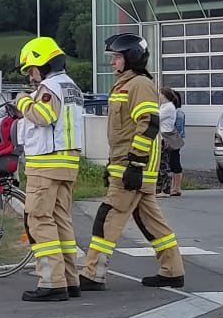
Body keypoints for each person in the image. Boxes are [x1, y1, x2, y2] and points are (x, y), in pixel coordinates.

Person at [80, 33, 185, 291]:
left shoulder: (139, 84)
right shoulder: (124, 85)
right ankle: (172, 271)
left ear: (131, 58)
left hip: (133, 167)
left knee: (107, 218)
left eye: (117, 57)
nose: (112, 62)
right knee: (150, 222)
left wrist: (136, 165)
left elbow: (148, 124)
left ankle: (93, 274)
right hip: (127, 165)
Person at [14, 37, 85, 302]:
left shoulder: (49, 87)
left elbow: (43, 117)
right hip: (67, 164)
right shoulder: (71, 86)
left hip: (45, 164)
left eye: (31, 69)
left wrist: (22, 102)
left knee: (39, 220)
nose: (30, 75)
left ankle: (51, 282)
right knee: (61, 221)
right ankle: (69, 280)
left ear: (43, 63)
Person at [158, 88, 186, 197]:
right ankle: (172, 188)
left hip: (169, 137)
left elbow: (157, 118)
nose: (158, 96)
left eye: (160, 94)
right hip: (164, 136)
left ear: (165, 96)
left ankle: (175, 188)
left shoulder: (169, 107)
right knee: (168, 162)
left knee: (172, 162)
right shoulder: (163, 106)